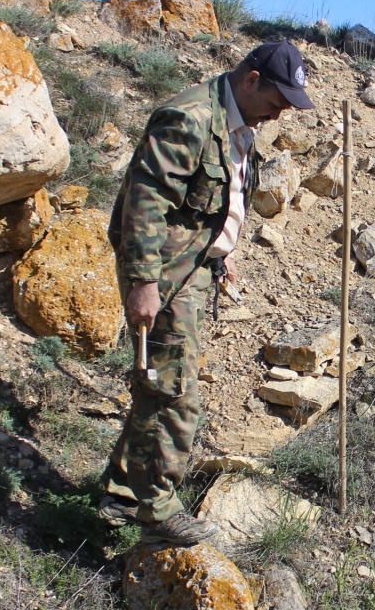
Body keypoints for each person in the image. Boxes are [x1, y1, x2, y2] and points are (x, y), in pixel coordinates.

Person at [99, 40, 314, 546]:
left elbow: (217, 199)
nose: (278, 115)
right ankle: (157, 511)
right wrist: (144, 282)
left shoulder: (239, 123)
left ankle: (122, 493)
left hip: (192, 265)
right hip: (163, 271)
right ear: (252, 79)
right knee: (175, 392)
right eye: (276, 101)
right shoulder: (191, 118)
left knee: (161, 381)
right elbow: (145, 201)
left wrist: (222, 252)